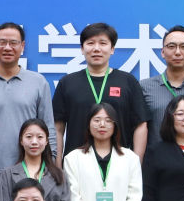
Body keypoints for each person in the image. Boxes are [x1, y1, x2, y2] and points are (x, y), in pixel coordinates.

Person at [0, 22, 55, 170]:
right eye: (2, 42)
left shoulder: (38, 82)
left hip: (29, 170)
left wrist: (51, 162)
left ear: (22, 46)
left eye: (13, 42)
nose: (7, 47)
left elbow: (48, 127)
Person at [53, 22, 150, 159]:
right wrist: (58, 164)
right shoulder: (67, 83)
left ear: (112, 49)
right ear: (82, 49)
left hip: (119, 163)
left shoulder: (127, 81)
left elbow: (140, 125)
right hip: (76, 163)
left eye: (103, 43)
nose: (96, 49)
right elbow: (57, 128)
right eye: (90, 43)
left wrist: (136, 163)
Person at [66, 104, 142, 201]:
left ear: (115, 125)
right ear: (88, 125)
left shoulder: (131, 158)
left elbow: (134, 197)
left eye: (108, 121)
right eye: (97, 120)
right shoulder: (72, 158)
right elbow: (73, 199)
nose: (102, 125)